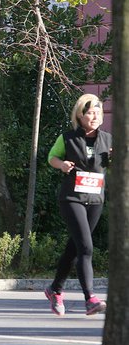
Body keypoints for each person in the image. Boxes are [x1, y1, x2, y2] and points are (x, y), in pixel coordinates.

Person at [44, 93, 112, 316]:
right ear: (80, 115)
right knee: (86, 247)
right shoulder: (68, 138)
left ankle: (55, 289)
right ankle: (90, 299)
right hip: (72, 198)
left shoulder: (108, 140)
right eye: (90, 113)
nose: (95, 116)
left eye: (98, 113)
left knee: (75, 246)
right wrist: (61, 164)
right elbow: (51, 157)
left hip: (95, 199)